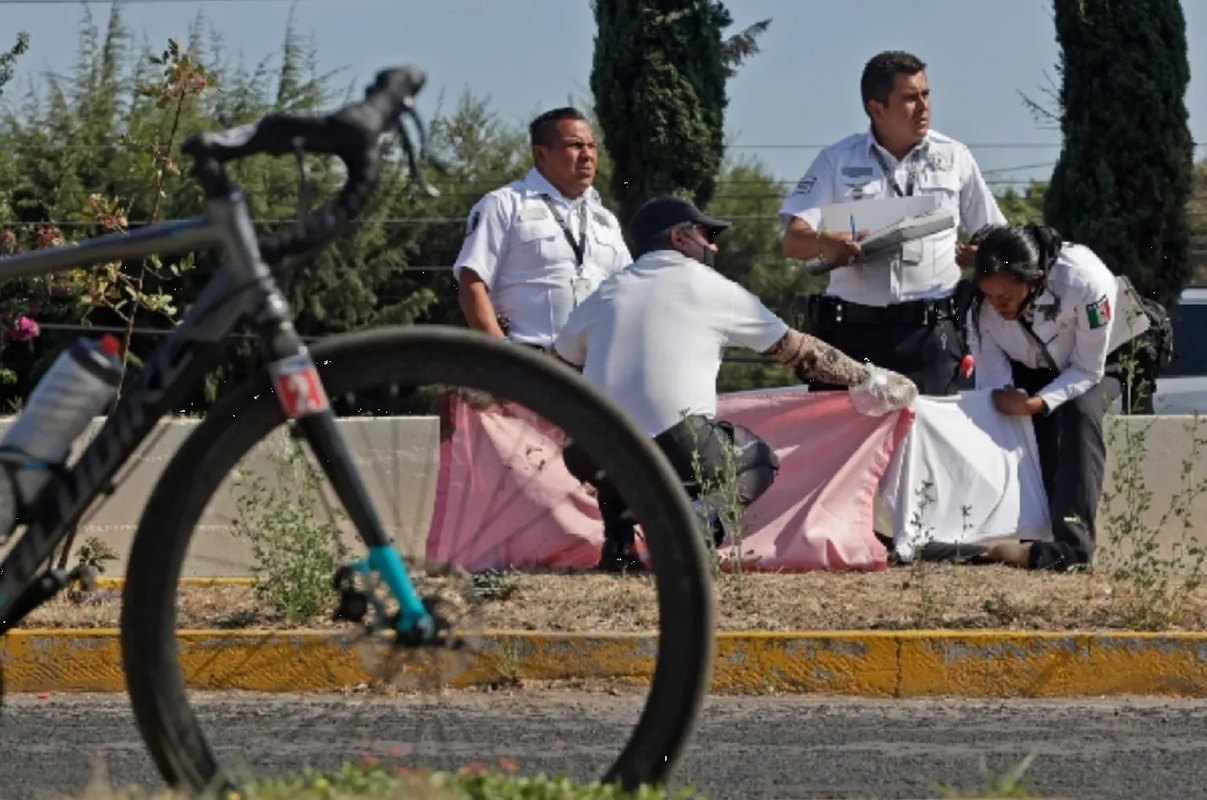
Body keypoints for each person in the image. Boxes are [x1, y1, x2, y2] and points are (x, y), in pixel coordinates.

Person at [553, 196, 918, 572]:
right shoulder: (710, 287)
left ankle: (618, 545)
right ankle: (696, 525)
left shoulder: (605, 294)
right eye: (707, 235)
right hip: (676, 446)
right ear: (680, 237)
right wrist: (869, 378)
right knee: (758, 461)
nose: (715, 246)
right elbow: (798, 351)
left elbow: (558, 364)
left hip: (586, 451)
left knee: (617, 437)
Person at [778, 50, 1008, 397]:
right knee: (851, 447)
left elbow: (995, 233)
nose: (924, 107)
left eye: (926, 94)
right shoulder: (836, 160)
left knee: (931, 444)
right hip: (853, 336)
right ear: (876, 108)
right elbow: (793, 241)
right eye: (910, 98)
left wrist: (985, 254)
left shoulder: (955, 156)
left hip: (933, 336)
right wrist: (826, 243)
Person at [966, 223, 1152, 572]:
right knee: (1004, 421)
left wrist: (1038, 403)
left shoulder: (1085, 282)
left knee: (1078, 415)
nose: (997, 306)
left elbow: (1087, 370)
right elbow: (991, 378)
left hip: (1099, 361)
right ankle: (1018, 532)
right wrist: (1013, 403)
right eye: (989, 296)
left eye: (1005, 297)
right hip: (1034, 365)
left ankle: (1072, 548)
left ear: (1034, 279)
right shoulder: (980, 309)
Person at [452, 106, 632, 351]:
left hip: (596, 368)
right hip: (530, 366)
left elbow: (627, 289)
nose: (588, 155)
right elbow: (471, 282)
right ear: (540, 154)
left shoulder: (605, 219)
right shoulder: (504, 204)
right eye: (576, 145)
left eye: (592, 146)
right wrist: (503, 358)